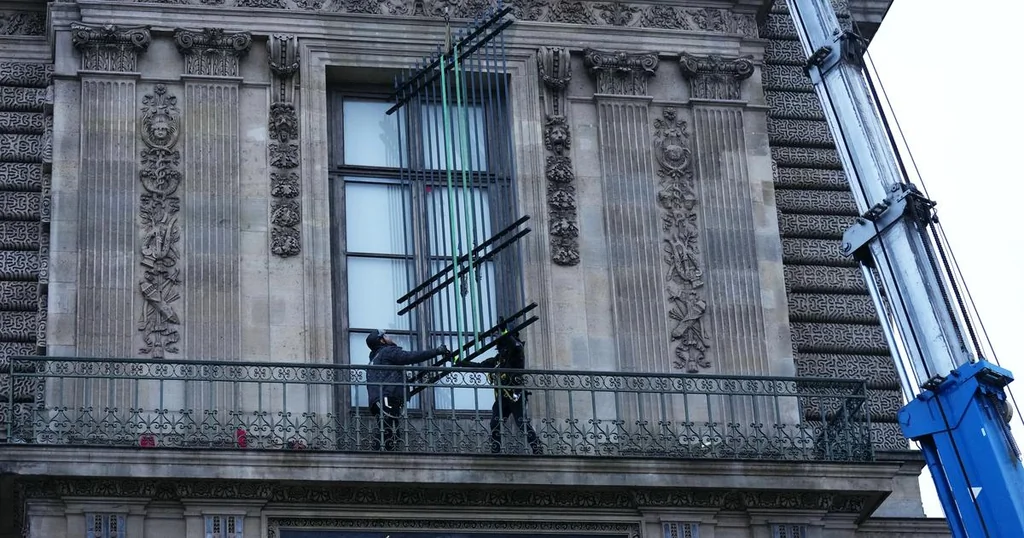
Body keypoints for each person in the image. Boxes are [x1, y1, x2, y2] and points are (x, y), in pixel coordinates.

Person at [365, 329, 449, 451]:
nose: (389, 337)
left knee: (388, 431)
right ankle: (379, 461)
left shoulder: (374, 359)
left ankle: (381, 458)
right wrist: (436, 351)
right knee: (390, 434)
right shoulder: (387, 352)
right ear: (381, 341)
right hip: (387, 398)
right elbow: (410, 357)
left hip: (378, 401)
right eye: (385, 336)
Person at [478, 329, 542, 455]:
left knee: (521, 422)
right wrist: (459, 362)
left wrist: (504, 332)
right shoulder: (497, 360)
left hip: (515, 394)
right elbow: (479, 365)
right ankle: (495, 450)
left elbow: (516, 346)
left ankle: (537, 447)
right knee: (495, 422)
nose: (501, 350)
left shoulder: (516, 355)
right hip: (503, 396)